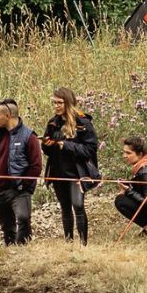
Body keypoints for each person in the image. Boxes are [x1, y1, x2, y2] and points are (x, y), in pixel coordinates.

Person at [42, 87, 99, 245]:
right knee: (65, 207)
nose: (56, 106)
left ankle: (83, 244)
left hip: (77, 173)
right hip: (58, 171)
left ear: (69, 102)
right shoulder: (53, 122)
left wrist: (65, 145)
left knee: (78, 205)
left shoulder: (83, 122)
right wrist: (47, 145)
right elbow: (47, 150)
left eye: (59, 103)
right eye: (54, 103)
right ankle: (68, 242)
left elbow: (90, 149)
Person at [0, 99, 42, 245]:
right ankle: (10, 249)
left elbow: (36, 166)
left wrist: (23, 183)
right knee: (6, 225)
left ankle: (23, 248)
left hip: (18, 189)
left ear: (8, 115)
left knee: (23, 218)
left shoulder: (29, 136)